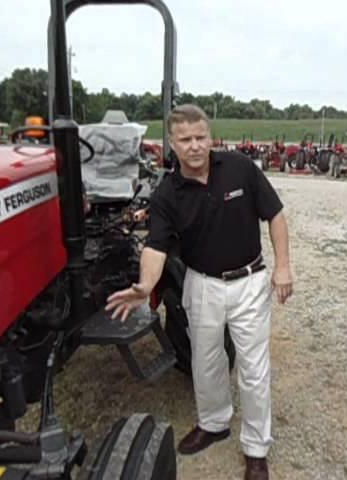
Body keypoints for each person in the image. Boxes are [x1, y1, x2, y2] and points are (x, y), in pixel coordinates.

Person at [106, 104, 293, 480]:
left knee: (254, 370)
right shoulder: (166, 194)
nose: (195, 146)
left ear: (211, 136)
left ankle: (256, 449)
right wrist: (145, 285)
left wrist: (283, 266)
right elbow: (156, 247)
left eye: (200, 137)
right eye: (185, 139)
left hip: (249, 284)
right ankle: (214, 423)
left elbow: (274, 215)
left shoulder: (240, 168)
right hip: (202, 285)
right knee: (205, 363)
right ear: (171, 144)